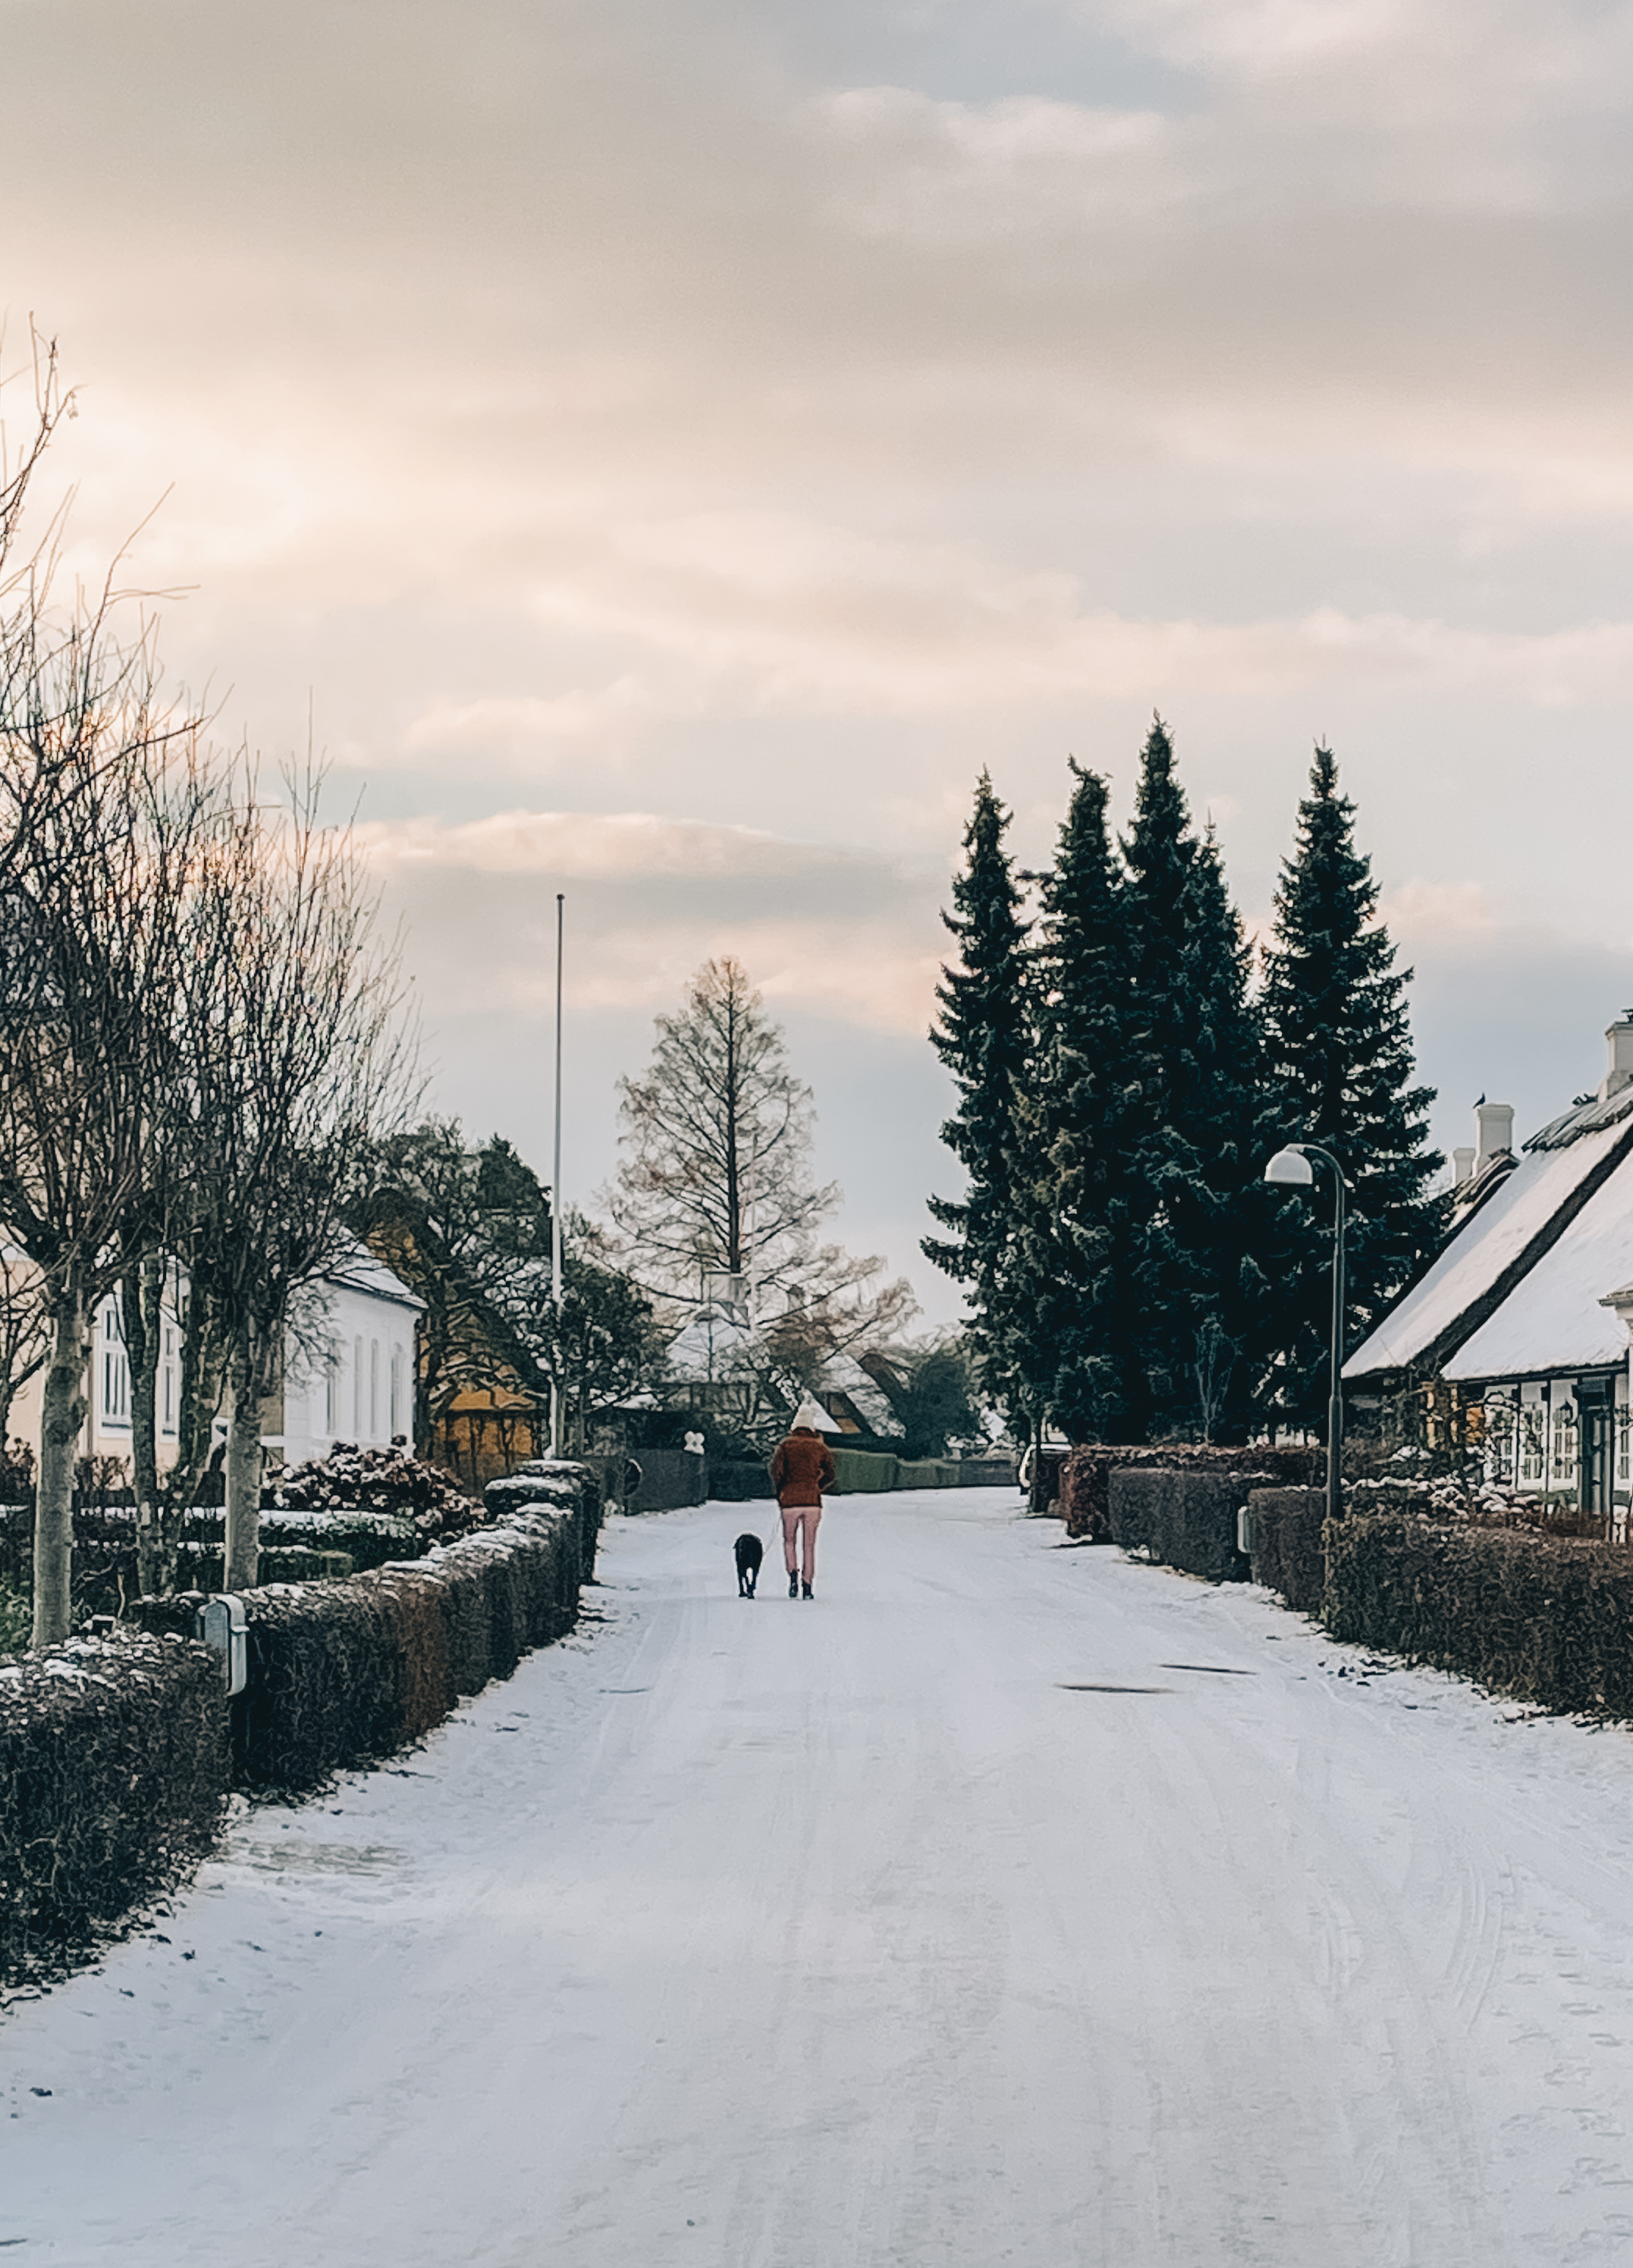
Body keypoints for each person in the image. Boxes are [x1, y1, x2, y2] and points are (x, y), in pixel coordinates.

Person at [768, 1397, 835, 1600]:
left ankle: (792, 1576)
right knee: (809, 1545)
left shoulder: (785, 1446)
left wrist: (780, 1490)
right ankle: (808, 1585)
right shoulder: (820, 1447)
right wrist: (817, 1487)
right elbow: (831, 1473)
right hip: (812, 1502)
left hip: (790, 1501)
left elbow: (775, 1471)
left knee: (789, 1541)